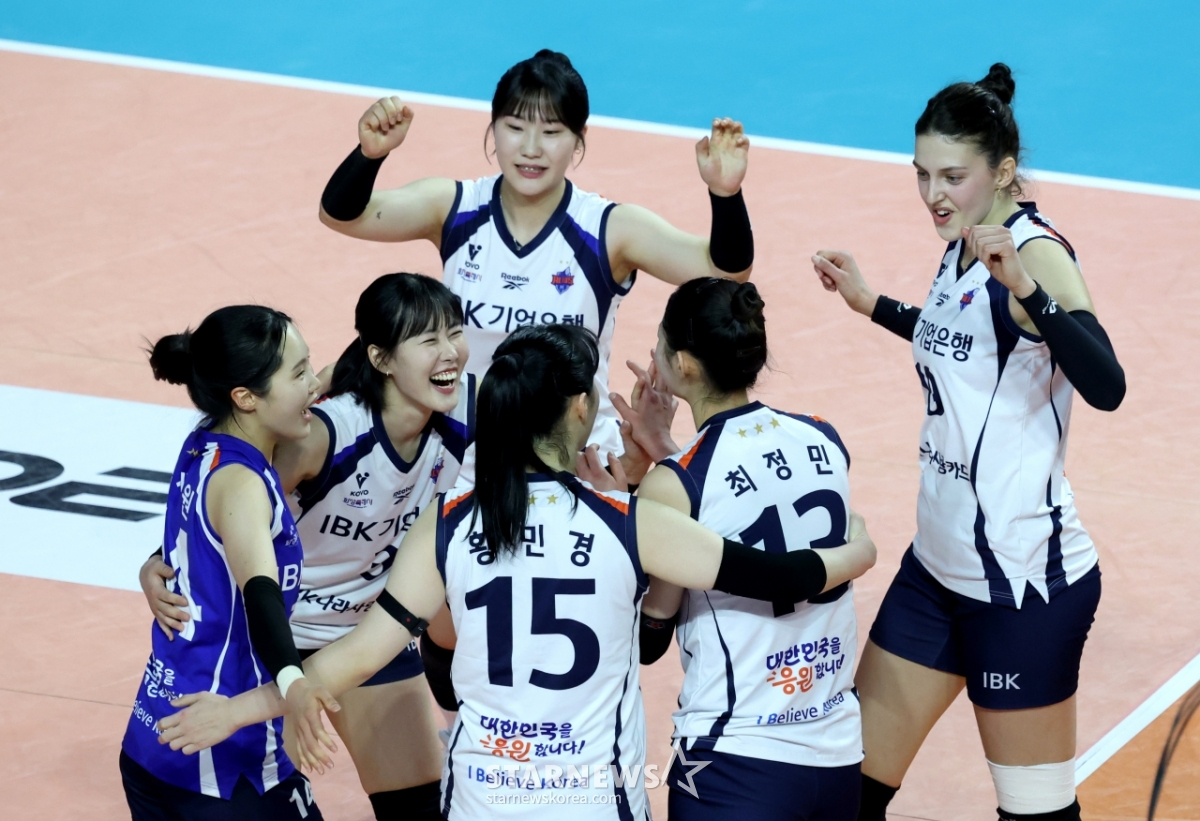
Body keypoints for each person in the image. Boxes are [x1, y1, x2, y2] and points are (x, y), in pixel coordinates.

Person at [151, 324, 877, 820]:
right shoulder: (630, 521)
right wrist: (857, 554)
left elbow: (355, 656)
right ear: (580, 408)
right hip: (594, 803)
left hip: (483, 800)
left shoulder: (448, 523)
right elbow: (775, 575)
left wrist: (237, 710)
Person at [811, 64, 1125, 821]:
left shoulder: (1034, 253)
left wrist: (1029, 291)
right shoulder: (962, 242)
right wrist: (870, 303)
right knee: (844, 797)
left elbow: (1107, 383)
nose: (933, 194)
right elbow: (961, 341)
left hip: (1023, 587)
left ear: (1004, 171)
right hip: (935, 572)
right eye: (923, 175)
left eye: (952, 176)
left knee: (1034, 815)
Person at [138, 274, 474, 820]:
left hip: (366, 635)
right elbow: (226, 514)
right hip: (278, 641)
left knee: (420, 808)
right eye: (429, 339)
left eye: (455, 333)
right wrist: (159, 558)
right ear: (382, 358)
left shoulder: (466, 416)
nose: (450, 352)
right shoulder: (321, 437)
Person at [317, 48, 754, 464]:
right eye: (515, 127)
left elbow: (724, 271)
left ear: (579, 139)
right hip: (467, 456)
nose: (531, 148)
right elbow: (342, 215)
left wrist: (725, 194)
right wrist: (369, 155)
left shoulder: (608, 230)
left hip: (576, 460)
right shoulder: (454, 208)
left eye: (551, 132)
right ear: (493, 128)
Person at [622, 278, 864, 820]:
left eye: (660, 343)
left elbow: (648, 638)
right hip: (836, 751)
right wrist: (666, 452)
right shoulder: (823, 437)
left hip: (736, 762)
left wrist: (642, 484)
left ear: (683, 364)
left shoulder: (677, 484)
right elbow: (743, 496)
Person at [121, 305, 327, 819]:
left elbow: (200, 541)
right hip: (223, 758)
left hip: (153, 736)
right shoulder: (243, 484)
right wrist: (294, 684)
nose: (314, 385)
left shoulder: (203, 445)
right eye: (299, 374)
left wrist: (152, 561)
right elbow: (260, 596)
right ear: (246, 396)